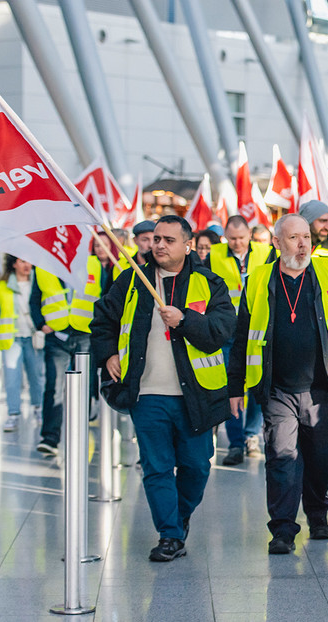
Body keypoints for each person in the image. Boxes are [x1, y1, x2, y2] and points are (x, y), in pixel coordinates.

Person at [92, 215, 235, 562]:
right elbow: (102, 319)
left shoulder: (209, 282)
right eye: (156, 239)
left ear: (187, 245)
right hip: (146, 393)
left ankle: (179, 515)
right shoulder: (132, 280)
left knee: (197, 466)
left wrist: (185, 320)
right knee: (156, 466)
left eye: (168, 240)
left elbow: (223, 329)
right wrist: (108, 353)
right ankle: (169, 534)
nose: (158, 245)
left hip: (195, 396)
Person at [227, 214, 328, 555]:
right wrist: (236, 387)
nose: (303, 243)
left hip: (325, 388)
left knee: (324, 457)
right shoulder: (258, 280)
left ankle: (317, 511)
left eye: (306, 236)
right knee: (281, 457)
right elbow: (242, 337)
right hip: (277, 388)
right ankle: (282, 529)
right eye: (294, 238)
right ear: (277, 243)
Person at [205, 215, 275, 466]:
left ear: (250, 235)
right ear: (225, 236)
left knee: (256, 383)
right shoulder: (213, 255)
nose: (237, 243)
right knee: (229, 386)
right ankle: (235, 443)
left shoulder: (266, 252)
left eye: (241, 238)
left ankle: (251, 436)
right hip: (225, 331)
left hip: (256, 328)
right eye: (232, 239)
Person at [31, 251, 104, 456]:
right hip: (57, 336)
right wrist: (41, 324)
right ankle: (50, 438)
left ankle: (80, 433)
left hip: (84, 334)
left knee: (85, 386)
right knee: (54, 387)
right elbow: (34, 300)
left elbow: (104, 297)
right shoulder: (44, 265)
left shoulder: (94, 264)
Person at [0, 255, 44, 433]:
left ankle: (39, 409)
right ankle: (13, 414)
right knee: (12, 377)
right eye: (22, 261)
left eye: (28, 261)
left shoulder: (39, 283)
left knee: (37, 376)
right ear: (14, 264)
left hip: (34, 338)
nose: (27, 265)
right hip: (12, 338)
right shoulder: (2, 288)